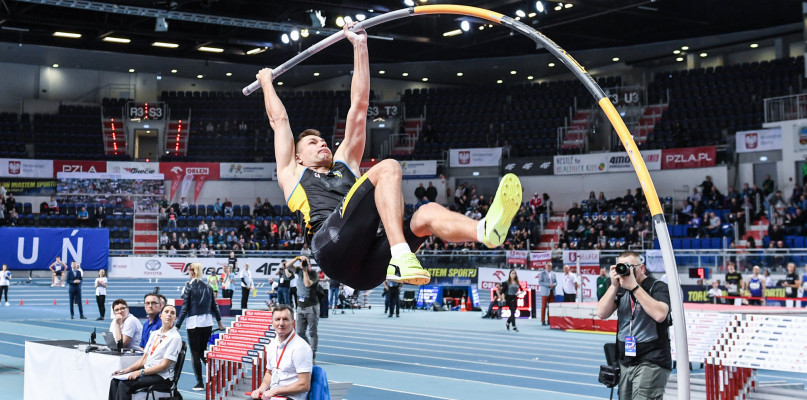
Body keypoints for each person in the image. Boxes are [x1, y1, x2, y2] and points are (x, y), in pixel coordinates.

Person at [255, 22, 521, 292]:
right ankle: (401, 254)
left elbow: (359, 106)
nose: (322, 143)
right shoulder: (293, 174)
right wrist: (266, 82)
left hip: (368, 267)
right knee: (388, 167)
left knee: (425, 215)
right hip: (331, 247)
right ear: (298, 157)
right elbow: (279, 120)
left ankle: (483, 231)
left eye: (323, 140)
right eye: (313, 143)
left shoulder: (344, 161)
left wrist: (360, 47)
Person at [596, 251, 671, 400]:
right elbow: (601, 313)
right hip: (626, 361)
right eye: (621, 267)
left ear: (641, 268)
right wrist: (613, 286)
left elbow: (660, 314)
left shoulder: (658, 287)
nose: (625, 270)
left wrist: (634, 287)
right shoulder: (620, 288)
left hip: (652, 359)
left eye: (629, 266)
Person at [108, 304, 182, 400]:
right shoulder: (155, 334)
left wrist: (140, 372)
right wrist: (126, 370)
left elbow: (164, 366)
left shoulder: (175, 338)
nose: (169, 315)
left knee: (124, 384)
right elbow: (144, 359)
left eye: (172, 313)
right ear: (160, 315)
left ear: (175, 318)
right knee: (115, 381)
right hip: (148, 372)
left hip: (161, 377)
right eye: (166, 312)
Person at [176, 262, 226, 391]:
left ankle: (200, 383)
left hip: (194, 323)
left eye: (189, 271)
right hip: (207, 323)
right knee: (204, 351)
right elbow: (214, 306)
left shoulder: (189, 287)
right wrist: (220, 322)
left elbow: (185, 308)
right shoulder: (208, 287)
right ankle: (216, 375)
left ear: (192, 272)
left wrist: (177, 325)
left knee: (195, 353)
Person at [250, 305, 312, 400]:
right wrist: (261, 390)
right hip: (274, 396)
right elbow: (270, 373)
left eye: (285, 319)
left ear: (293, 323)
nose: (281, 323)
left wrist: (275, 391)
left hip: (290, 398)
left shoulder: (300, 347)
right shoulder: (272, 344)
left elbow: (304, 385)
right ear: (272, 323)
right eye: (277, 319)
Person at [289, 256, 320, 358]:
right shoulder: (298, 271)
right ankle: (308, 350)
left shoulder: (314, 274)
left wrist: (305, 270)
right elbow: (287, 266)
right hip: (300, 307)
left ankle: (312, 354)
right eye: (302, 262)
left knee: (312, 332)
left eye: (306, 262)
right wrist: (297, 258)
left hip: (311, 307)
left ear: (310, 264)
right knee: (299, 332)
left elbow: (307, 284)